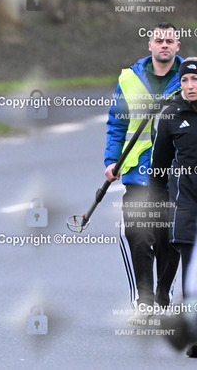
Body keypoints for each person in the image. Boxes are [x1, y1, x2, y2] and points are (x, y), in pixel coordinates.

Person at [104, 22, 182, 324]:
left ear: (177, 46)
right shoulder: (129, 79)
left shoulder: (189, 80)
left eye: (169, 41)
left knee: (169, 239)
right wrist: (112, 161)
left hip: (175, 175)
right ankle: (144, 301)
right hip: (137, 172)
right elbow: (117, 123)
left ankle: (162, 296)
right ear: (150, 45)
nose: (164, 45)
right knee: (138, 234)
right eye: (158, 40)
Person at [151, 59, 197, 357]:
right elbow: (159, 165)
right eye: (185, 81)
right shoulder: (170, 115)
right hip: (187, 205)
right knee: (192, 272)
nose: (190, 86)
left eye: (195, 80)